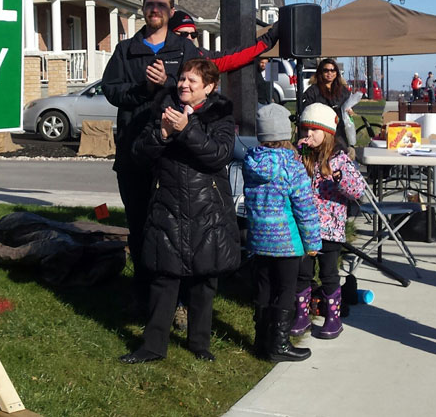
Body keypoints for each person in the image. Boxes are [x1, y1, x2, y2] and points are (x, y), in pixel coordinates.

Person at [119, 58, 240, 363]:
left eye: (192, 81)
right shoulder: (163, 108)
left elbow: (219, 155)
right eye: (183, 79)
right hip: (168, 203)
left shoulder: (221, 114)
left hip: (208, 206)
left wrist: (187, 130)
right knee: (164, 277)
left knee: (204, 278)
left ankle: (200, 344)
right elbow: (138, 156)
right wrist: (160, 134)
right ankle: (152, 346)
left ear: (209, 88)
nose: (184, 84)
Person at [102, 0, 202, 317]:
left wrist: (168, 84)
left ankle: (180, 299)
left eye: (162, 5)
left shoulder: (183, 48)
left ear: (171, 12)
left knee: (177, 226)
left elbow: (198, 91)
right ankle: (144, 295)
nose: (155, 9)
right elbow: (111, 91)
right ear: (143, 10)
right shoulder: (126, 50)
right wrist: (144, 88)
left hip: (174, 154)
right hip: (134, 153)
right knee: (141, 225)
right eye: (150, 4)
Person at [243, 102, 321, 362]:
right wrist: (312, 242)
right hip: (287, 242)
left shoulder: (250, 162)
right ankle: (279, 345)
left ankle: (261, 341)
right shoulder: (292, 167)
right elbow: (305, 209)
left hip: (258, 239)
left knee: (264, 288)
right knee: (286, 290)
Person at [291, 103, 363, 340]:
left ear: (327, 133)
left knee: (329, 274)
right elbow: (290, 177)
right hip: (304, 228)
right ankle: (302, 315)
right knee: (302, 273)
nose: (308, 135)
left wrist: (340, 178)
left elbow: (358, 190)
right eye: (304, 130)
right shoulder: (302, 157)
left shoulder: (339, 160)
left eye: (313, 130)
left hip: (329, 230)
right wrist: (297, 153)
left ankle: (334, 318)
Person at [168, 9, 280, 75]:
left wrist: (269, 38)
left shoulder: (201, 57)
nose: (189, 38)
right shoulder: (157, 55)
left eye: (193, 35)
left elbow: (235, 56)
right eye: (183, 34)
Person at [300, 58, 357, 149]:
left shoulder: (343, 90)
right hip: (321, 131)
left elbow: (349, 105)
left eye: (332, 70)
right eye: (326, 70)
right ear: (320, 73)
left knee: (340, 152)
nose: (329, 73)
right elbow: (306, 109)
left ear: (336, 72)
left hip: (339, 130)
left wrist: (350, 110)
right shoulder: (313, 91)